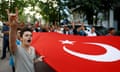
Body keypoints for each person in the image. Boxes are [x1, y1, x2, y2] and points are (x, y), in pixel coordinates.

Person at [9, 8, 44, 72]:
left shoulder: (33, 49)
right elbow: (12, 42)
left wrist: (38, 60)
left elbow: (31, 61)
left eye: (31, 35)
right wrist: (13, 28)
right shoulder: (17, 49)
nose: (29, 37)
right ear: (21, 38)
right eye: (26, 35)